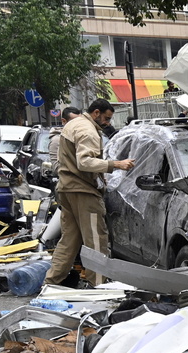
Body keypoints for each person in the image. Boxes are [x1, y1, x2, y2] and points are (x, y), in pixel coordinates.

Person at [44, 99, 135, 287]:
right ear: (96, 113)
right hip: (83, 191)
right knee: (96, 241)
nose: (108, 122)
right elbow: (84, 162)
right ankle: (100, 287)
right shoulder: (87, 130)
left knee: (69, 241)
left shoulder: (74, 124)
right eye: (107, 118)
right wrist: (116, 164)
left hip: (67, 189)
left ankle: (50, 282)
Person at [48, 106, 81, 179]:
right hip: (69, 184)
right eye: (74, 122)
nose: (78, 125)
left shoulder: (82, 137)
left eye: (80, 122)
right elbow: (57, 168)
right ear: (64, 121)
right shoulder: (57, 140)